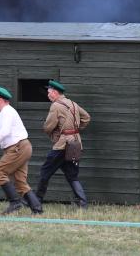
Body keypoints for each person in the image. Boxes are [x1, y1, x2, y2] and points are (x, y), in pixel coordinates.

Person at [0, 86, 43, 214]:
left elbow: (5, 131)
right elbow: (5, 132)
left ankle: (15, 202)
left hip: (18, 148)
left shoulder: (7, 112)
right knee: (20, 181)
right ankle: (37, 210)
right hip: (20, 147)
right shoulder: (5, 112)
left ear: (0, 99)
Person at [35, 80, 91, 208]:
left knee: (45, 172)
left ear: (55, 92)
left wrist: (58, 133)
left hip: (62, 145)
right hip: (76, 143)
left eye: (49, 92)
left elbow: (48, 127)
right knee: (72, 175)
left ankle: (36, 200)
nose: (48, 95)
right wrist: (75, 129)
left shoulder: (56, 106)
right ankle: (82, 203)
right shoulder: (73, 103)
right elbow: (87, 117)